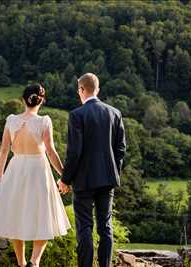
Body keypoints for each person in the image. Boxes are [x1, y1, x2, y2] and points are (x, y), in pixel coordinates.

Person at [0, 84, 71, 267]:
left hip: (16, 170)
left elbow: (4, 151)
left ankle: (21, 263)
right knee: (43, 217)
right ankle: (34, 262)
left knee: (16, 216)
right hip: (39, 170)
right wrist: (65, 175)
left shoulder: (11, 120)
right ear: (41, 101)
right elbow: (51, 152)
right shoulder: (44, 121)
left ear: (23, 100)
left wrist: (0, 178)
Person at [57, 73, 126, 267]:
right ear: (98, 89)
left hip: (84, 181)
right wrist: (114, 172)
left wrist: (65, 179)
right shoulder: (114, 113)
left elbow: (74, 152)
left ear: (81, 89)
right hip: (108, 179)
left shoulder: (77, 115)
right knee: (105, 227)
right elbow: (121, 149)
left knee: (85, 227)